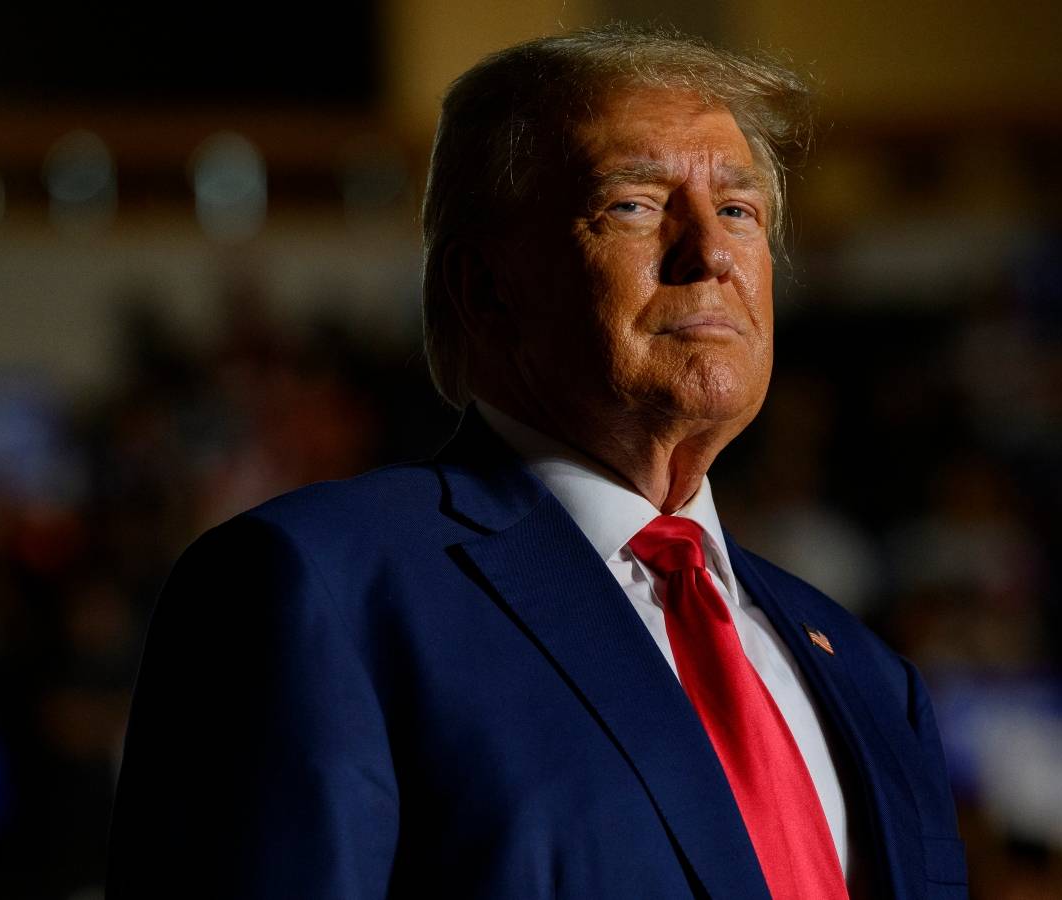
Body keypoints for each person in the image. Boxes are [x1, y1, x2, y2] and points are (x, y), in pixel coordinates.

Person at [107, 25, 966, 899]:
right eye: (634, 204)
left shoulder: (870, 676)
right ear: (485, 286)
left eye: (739, 211)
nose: (709, 252)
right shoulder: (316, 589)